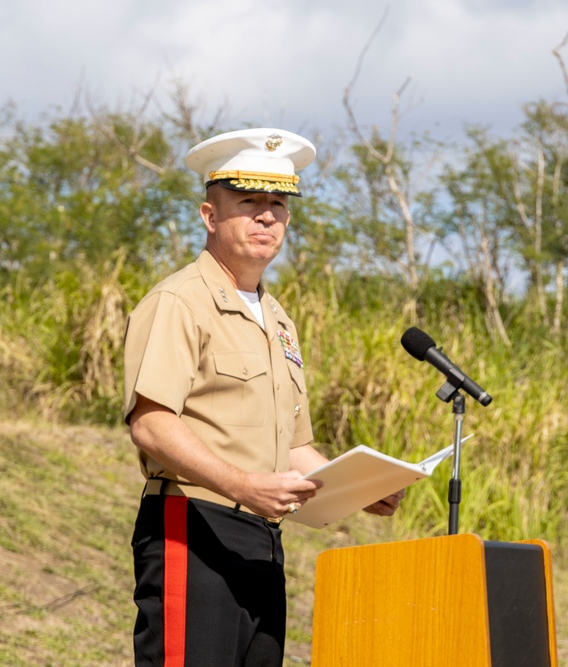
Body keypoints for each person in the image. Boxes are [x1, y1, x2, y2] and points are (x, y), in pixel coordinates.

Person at [122, 128, 405, 667]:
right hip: (195, 528)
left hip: (263, 541)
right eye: (248, 201)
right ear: (210, 216)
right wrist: (243, 485)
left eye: (278, 204)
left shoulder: (278, 320)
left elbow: (292, 448)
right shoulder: (180, 301)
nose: (266, 216)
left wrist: (360, 489)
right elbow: (152, 424)